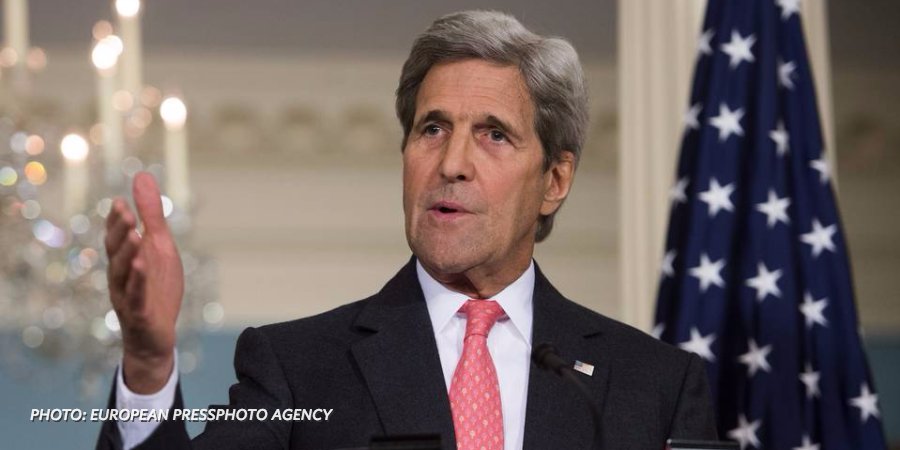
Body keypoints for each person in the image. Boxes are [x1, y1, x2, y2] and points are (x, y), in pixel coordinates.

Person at [97, 10, 717, 450]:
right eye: (433, 129)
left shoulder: (653, 385)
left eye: (493, 135)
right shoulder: (298, 369)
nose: (451, 163)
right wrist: (149, 366)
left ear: (554, 180)